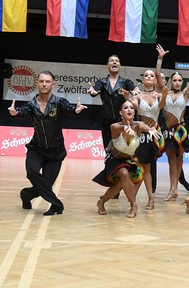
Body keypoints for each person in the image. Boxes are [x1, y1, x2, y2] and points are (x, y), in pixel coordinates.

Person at [9, 70, 88, 215]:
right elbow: (22, 112)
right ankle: (57, 204)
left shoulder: (59, 102)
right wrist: (15, 113)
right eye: (41, 81)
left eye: (47, 81)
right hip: (37, 149)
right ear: (37, 83)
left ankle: (26, 195)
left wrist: (76, 110)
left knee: (45, 185)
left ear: (53, 84)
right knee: (32, 172)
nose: (44, 84)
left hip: (55, 152)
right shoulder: (32, 104)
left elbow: (69, 110)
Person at [155, 44, 189, 201]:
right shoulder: (164, 92)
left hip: (181, 130)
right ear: (170, 81)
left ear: (182, 82)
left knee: (180, 160)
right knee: (172, 160)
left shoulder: (185, 93)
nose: (177, 82)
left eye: (179, 80)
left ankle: (175, 189)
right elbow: (158, 76)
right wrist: (160, 59)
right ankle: (173, 189)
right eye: (174, 80)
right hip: (169, 131)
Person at [94, 99, 162, 218]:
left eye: (131, 107)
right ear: (121, 112)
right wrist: (125, 129)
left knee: (121, 184)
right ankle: (134, 205)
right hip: (114, 159)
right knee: (124, 173)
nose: (129, 109)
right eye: (125, 108)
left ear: (134, 111)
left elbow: (144, 126)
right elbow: (120, 129)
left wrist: (150, 129)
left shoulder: (138, 125)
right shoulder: (114, 126)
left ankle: (102, 201)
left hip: (129, 160)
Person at [131, 69, 168, 210]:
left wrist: (164, 95)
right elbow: (133, 107)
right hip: (140, 136)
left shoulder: (159, 95)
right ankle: (140, 198)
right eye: (146, 75)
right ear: (143, 79)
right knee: (141, 168)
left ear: (155, 80)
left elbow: (162, 106)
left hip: (153, 136)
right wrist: (129, 97)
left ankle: (141, 199)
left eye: (151, 75)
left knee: (146, 168)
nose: (149, 77)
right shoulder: (138, 95)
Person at [87, 55, 137, 149]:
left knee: (123, 149)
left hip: (123, 121)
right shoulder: (102, 82)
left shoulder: (126, 82)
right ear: (107, 65)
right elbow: (94, 91)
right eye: (111, 61)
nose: (114, 62)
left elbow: (135, 91)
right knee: (108, 149)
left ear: (120, 65)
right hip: (106, 122)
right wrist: (93, 92)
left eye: (116, 61)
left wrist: (134, 92)